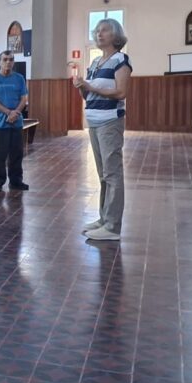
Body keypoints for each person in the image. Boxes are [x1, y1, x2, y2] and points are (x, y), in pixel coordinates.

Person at [73, 18, 131, 242]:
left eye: (104, 30)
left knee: (113, 173)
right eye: (97, 30)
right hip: (94, 121)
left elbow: (120, 92)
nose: (99, 34)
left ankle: (113, 227)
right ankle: (103, 218)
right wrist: (82, 87)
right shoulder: (96, 62)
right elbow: (88, 95)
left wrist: (88, 86)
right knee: (102, 174)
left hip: (110, 121)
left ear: (115, 35)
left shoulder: (121, 60)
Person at [0, 50, 30, 192]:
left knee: (17, 153)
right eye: (5, 59)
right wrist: (8, 112)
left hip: (16, 121)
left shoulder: (19, 78)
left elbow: (24, 98)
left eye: (11, 60)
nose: (8, 62)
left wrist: (16, 112)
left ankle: (16, 181)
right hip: (0, 122)